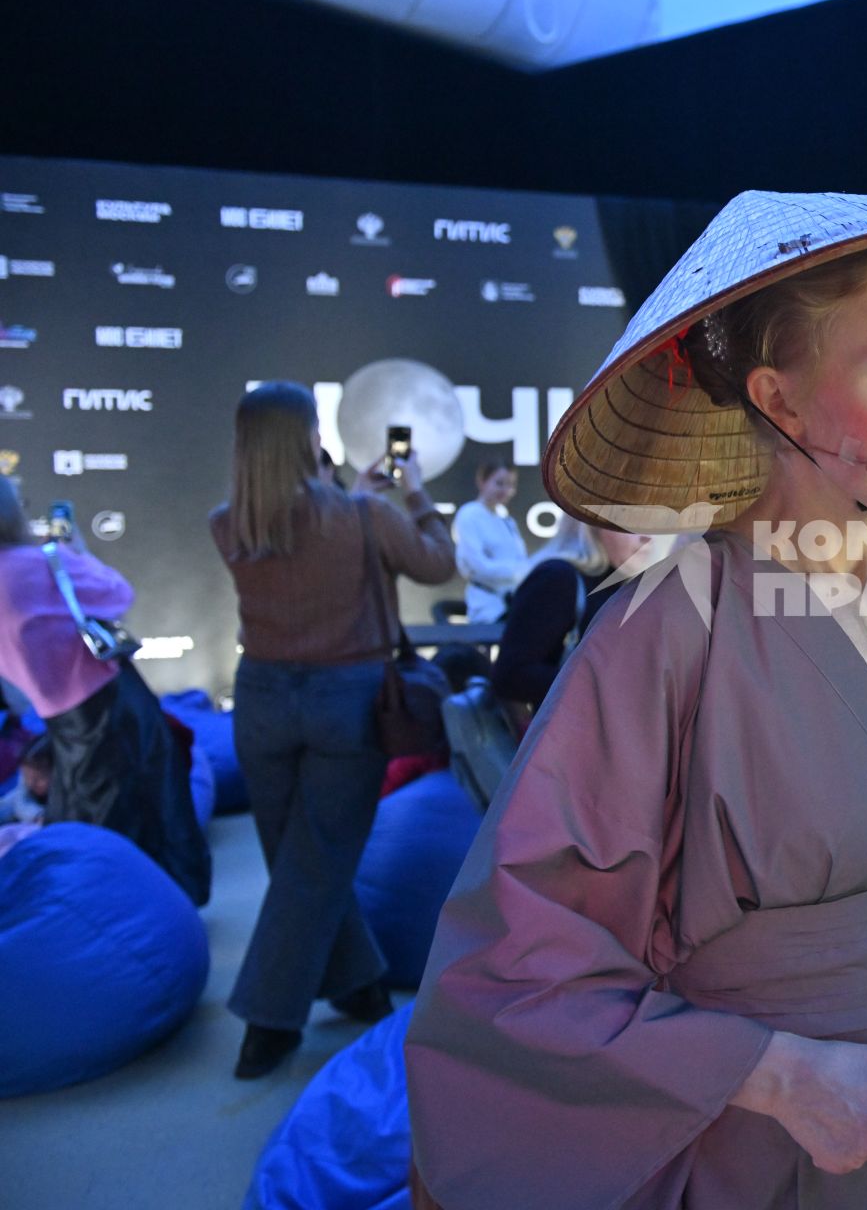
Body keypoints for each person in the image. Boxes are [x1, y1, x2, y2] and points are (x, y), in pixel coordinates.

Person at [406, 191, 867, 1209]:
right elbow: (517, 962)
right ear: (779, 399)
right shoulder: (662, 628)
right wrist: (772, 1073)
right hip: (780, 1154)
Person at [210, 381, 456, 1079]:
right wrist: (414, 495)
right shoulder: (363, 516)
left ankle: (359, 985)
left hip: (260, 701)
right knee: (314, 863)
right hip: (346, 703)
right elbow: (438, 563)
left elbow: (299, 530)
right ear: (309, 438)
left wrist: (363, 497)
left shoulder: (227, 525)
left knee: (303, 860)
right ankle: (268, 1021)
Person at [0, 481, 209, 903]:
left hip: (61, 723)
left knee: (88, 828)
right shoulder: (41, 564)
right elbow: (118, 593)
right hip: (112, 709)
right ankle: (166, 908)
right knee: (152, 813)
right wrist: (77, 555)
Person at [488, 515, 666, 708]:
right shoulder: (558, 578)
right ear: (594, 524)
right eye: (633, 522)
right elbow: (510, 676)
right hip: (564, 724)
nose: (647, 536)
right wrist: (607, 686)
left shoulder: (627, 588)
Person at [451, 459, 526, 624]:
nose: (505, 490)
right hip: (487, 610)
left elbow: (521, 561)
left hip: (514, 605)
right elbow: (478, 566)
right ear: (482, 481)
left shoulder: (507, 521)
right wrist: (518, 572)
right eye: (499, 483)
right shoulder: (469, 514)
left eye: (511, 485)